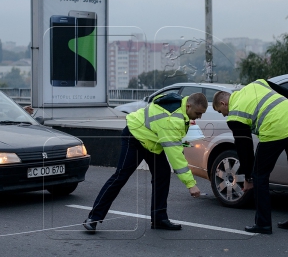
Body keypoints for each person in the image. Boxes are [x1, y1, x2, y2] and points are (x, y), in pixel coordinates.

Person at [83, 92, 207, 232]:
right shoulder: (172, 119)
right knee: (120, 177)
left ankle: (159, 218)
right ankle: (93, 218)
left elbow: (173, 141)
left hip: (152, 142)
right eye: (198, 113)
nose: (199, 117)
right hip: (135, 137)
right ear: (189, 106)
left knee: (162, 175)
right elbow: (175, 156)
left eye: (202, 114)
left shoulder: (181, 105)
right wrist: (191, 184)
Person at [213, 79, 288, 234]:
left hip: (274, 128)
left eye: (220, 111)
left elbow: (245, 149)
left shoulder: (235, 114)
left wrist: (248, 178)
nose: (223, 115)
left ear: (223, 103)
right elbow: (287, 93)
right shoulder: (257, 83)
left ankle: (263, 224)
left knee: (260, 176)